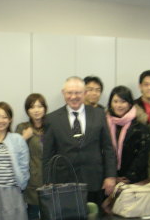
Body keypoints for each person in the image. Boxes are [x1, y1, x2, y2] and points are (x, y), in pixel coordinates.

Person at [43, 76, 116, 207]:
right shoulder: (52, 119)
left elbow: (108, 148)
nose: (73, 97)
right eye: (69, 93)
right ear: (63, 93)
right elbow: (47, 156)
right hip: (63, 183)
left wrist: (110, 176)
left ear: (85, 93)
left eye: (78, 93)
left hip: (95, 181)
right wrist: (48, 183)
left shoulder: (99, 114)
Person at [106, 86, 150, 184]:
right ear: (110, 103)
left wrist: (128, 177)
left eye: (123, 101)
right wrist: (112, 176)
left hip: (134, 181)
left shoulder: (140, 126)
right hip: (109, 180)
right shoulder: (104, 124)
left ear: (130, 103)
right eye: (115, 101)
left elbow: (142, 155)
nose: (119, 105)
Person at [15, 93, 47, 220]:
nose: (36, 110)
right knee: (33, 218)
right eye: (32, 107)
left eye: (40, 106)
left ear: (45, 108)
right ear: (27, 110)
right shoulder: (22, 128)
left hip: (51, 180)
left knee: (51, 219)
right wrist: (24, 138)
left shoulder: (52, 126)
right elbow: (13, 152)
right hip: (32, 182)